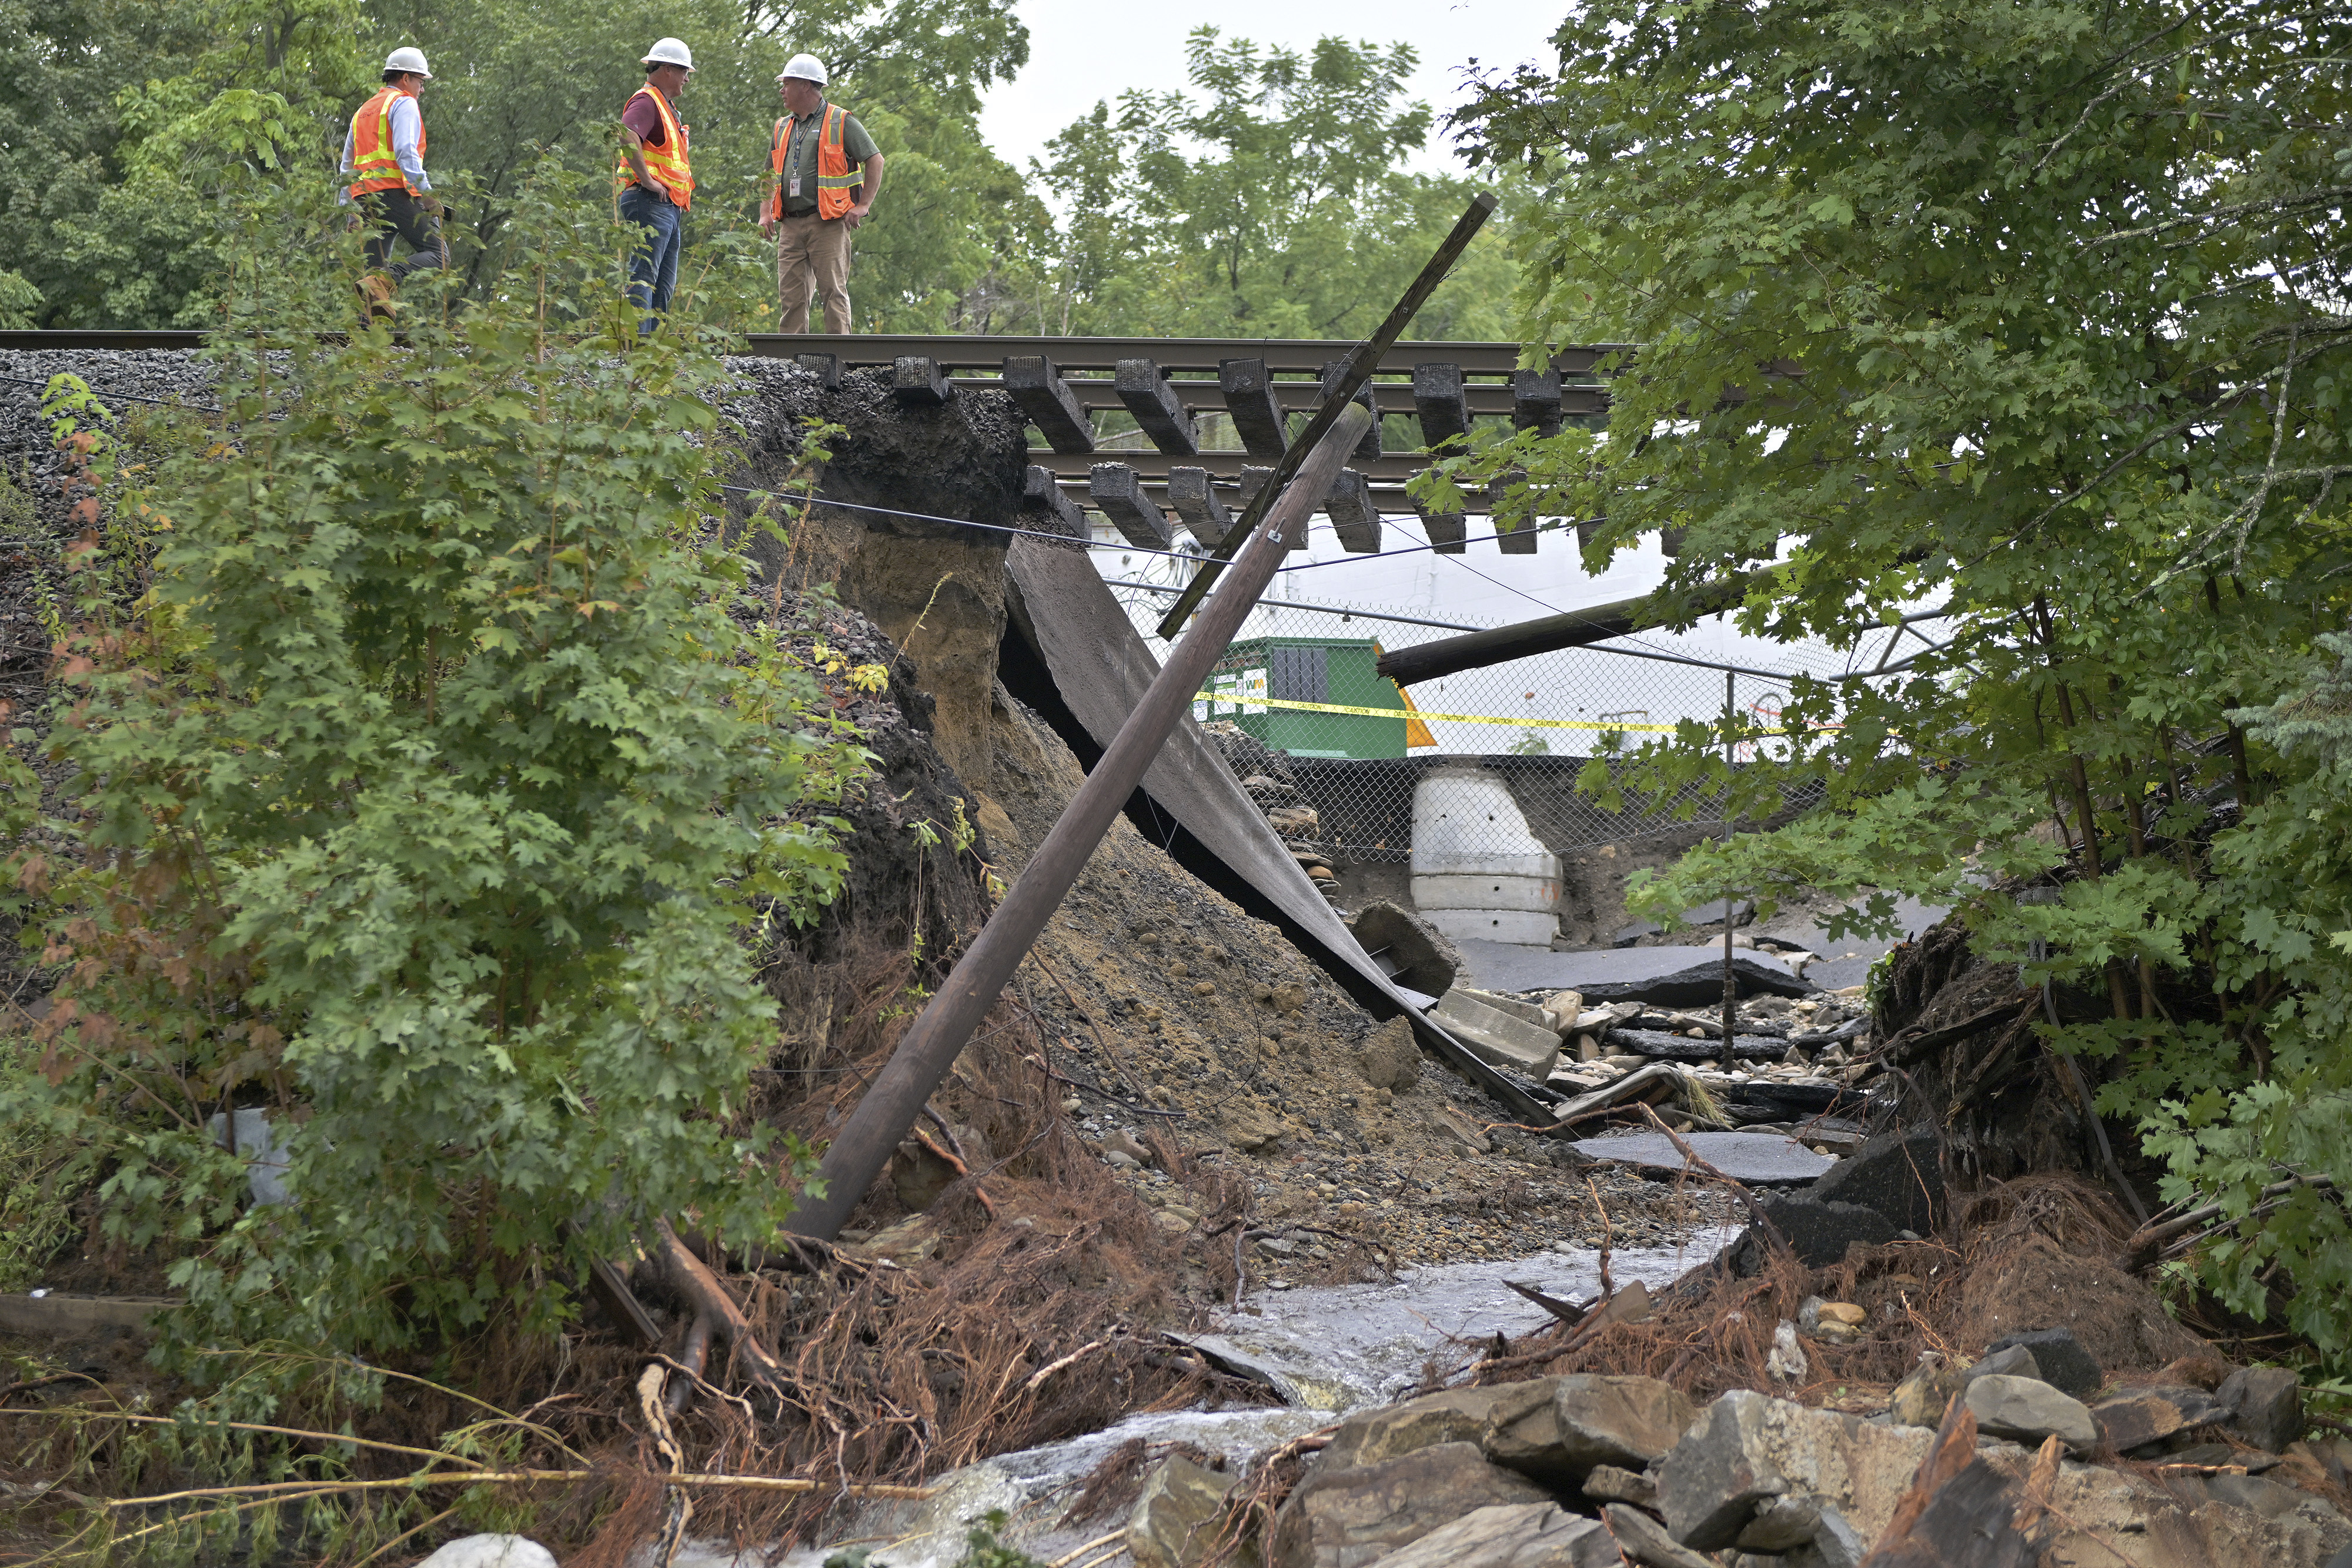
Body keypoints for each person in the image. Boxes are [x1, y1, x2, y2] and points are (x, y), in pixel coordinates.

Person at [760, 54, 883, 334]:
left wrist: (863, 205)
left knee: (833, 294)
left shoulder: (840, 120)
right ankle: (790, 369)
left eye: (786, 83)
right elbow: (767, 174)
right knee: (792, 300)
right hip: (789, 224)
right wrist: (765, 213)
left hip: (827, 222)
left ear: (805, 85)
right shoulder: (782, 126)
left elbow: (875, 159)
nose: (781, 90)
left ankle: (838, 364)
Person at [340, 47, 446, 319]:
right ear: (406, 78)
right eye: (421, 82)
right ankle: (390, 278)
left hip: (366, 201)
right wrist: (428, 194)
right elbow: (406, 153)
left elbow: (347, 166)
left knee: (372, 286)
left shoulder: (362, 111)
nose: (421, 90)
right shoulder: (404, 103)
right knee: (439, 255)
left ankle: (368, 344)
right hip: (395, 195)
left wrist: (349, 207)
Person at [617, 38, 696, 336]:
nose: (687, 78)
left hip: (667, 206)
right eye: (684, 71)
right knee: (645, 275)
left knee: (663, 283)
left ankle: (652, 348)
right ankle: (637, 345)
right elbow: (626, 134)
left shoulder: (665, 106)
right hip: (649, 201)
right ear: (666, 70)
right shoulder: (647, 101)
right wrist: (648, 180)